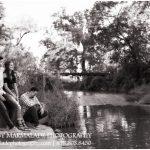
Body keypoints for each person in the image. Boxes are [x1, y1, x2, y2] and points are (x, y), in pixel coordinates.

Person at [3, 60, 30, 131]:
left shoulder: (13, 74)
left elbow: (15, 86)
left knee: (18, 106)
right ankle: (21, 124)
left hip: (13, 93)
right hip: (6, 92)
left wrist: (17, 95)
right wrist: (13, 95)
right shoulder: (4, 74)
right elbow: (5, 87)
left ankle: (21, 124)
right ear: (7, 66)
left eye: (13, 65)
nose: (12, 66)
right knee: (18, 106)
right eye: (11, 65)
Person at [0, 56, 20, 132]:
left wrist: (16, 72)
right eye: (0, 62)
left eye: (1, 62)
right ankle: (12, 127)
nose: (1, 63)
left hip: (2, 91)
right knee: (3, 107)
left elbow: (9, 71)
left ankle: (8, 126)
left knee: (14, 104)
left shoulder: (2, 70)